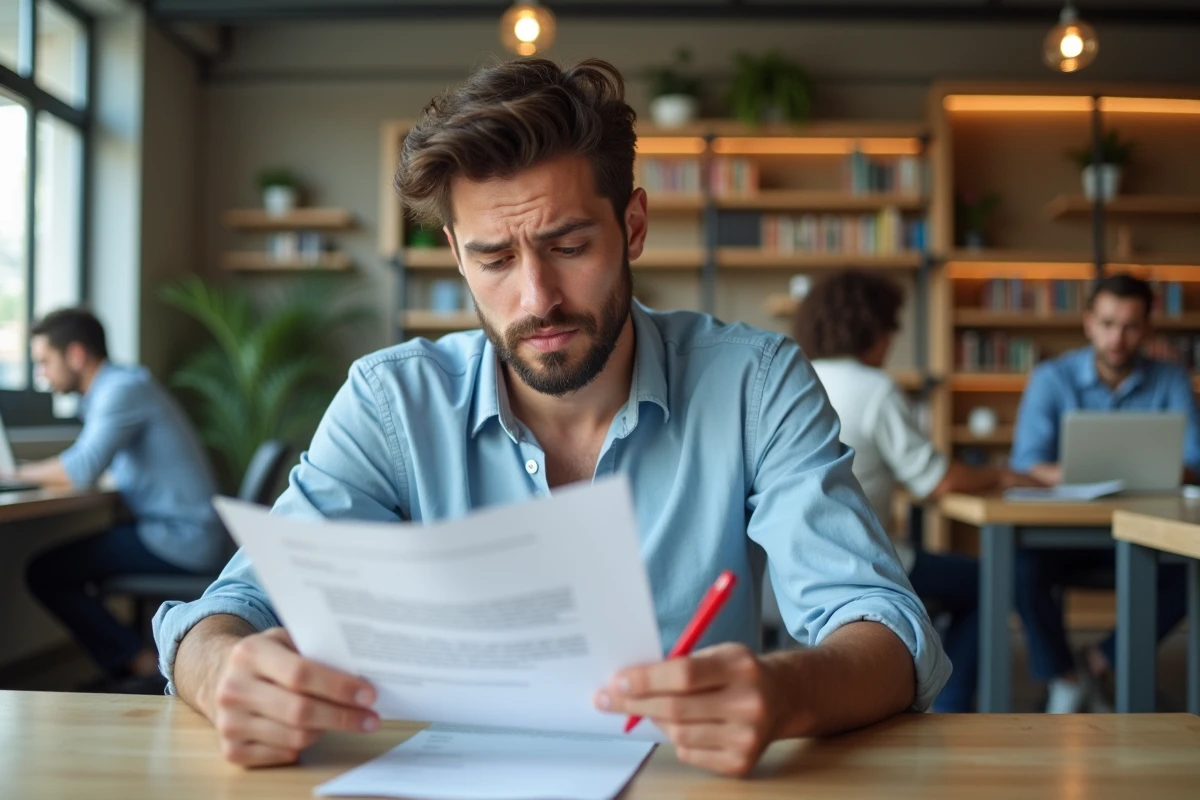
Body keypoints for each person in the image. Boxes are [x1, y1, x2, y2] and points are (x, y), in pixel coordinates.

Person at [153, 58, 949, 776]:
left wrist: (785, 692)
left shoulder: (755, 384)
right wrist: (225, 672)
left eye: (569, 245)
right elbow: (229, 611)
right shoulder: (391, 402)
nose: (536, 300)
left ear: (632, 226)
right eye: (495, 259)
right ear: (458, 256)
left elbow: (881, 626)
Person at [791, 270, 1045, 712]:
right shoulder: (873, 388)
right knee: (992, 580)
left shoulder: (795, 379)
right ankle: (950, 705)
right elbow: (936, 479)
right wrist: (1003, 475)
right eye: (892, 329)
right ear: (875, 330)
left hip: (791, 569)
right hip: (863, 564)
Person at [1010, 273, 1192, 711]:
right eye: (1108, 323)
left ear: (1148, 327)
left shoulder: (1172, 381)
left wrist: (1155, 470)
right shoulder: (1051, 378)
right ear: (1089, 322)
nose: (1117, 338)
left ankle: (1098, 663)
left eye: (1130, 326)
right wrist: (1085, 476)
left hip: (1146, 532)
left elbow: (1194, 462)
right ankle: (1064, 676)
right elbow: (1026, 464)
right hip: (1066, 532)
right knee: (1019, 568)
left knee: (1192, 573)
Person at [17, 309, 222, 687]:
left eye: (44, 361)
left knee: (46, 573)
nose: (40, 374)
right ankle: (132, 661)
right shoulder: (122, 386)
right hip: (182, 530)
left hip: (182, 537)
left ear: (76, 355)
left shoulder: (121, 389)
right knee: (67, 565)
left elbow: (80, 469)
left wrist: (12, 473)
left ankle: (140, 664)